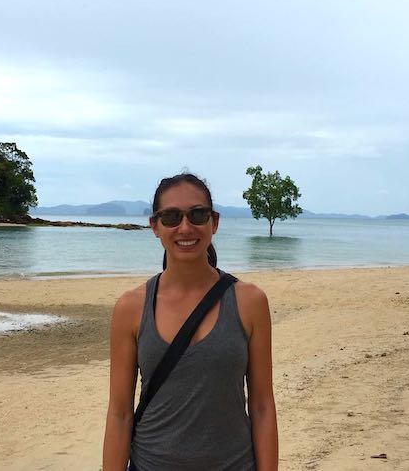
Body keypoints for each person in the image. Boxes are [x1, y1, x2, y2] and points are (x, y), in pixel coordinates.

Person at [103, 173, 278, 470]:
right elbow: (120, 414)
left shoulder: (250, 302)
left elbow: (262, 406)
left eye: (197, 214)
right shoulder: (131, 308)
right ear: (155, 226)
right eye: (171, 217)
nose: (185, 227)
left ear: (214, 222)